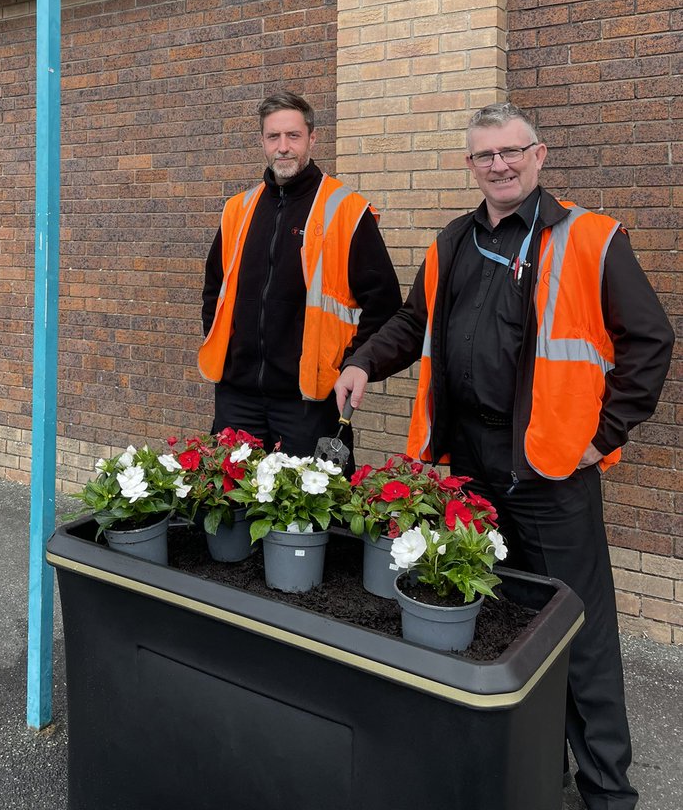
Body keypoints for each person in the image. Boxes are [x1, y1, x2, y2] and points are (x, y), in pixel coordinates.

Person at [334, 102, 673, 810]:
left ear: (538, 155)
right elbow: (414, 321)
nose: (500, 165)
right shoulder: (453, 240)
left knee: (579, 635)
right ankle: (534, 773)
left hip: (550, 470)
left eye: (512, 151)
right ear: (471, 165)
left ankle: (608, 793)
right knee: (499, 620)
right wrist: (364, 360)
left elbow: (650, 340)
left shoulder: (590, 238)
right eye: (485, 155)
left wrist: (604, 436)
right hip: (470, 465)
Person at [199, 90, 402, 470]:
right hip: (237, 397)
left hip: (310, 401)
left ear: (312, 138)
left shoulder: (345, 210)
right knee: (229, 499)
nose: (283, 147)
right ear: (262, 142)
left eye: (293, 136)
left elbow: (385, 305)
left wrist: (352, 364)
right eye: (273, 136)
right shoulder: (238, 209)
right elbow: (214, 289)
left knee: (310, 505)